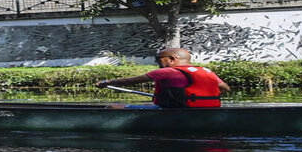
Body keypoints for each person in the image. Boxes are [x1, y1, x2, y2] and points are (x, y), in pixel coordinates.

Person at [95, 48, 230, 108]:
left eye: (159, 59)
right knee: (149, 105)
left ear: (171, 59)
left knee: (113, 107)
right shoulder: (206, 71)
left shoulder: (167, 72)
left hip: (178, 111)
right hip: (208, 109)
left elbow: (130, 81)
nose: (158, 62)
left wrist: (106, 82)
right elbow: (225, 88)